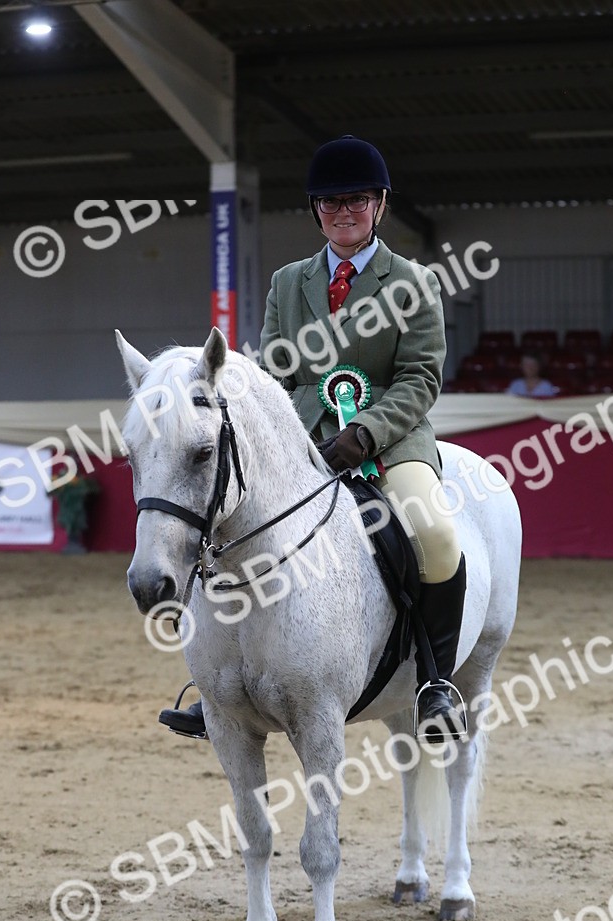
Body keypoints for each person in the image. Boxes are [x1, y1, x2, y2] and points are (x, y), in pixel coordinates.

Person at [160, 134, 467, 744]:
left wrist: (365, 432)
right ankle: (216, 683)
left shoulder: (413, 282)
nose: (343, 212)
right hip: (300, 438)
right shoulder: (288, 282)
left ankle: (436, 682)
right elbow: (276, 373)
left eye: (356, 200)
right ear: (315, 210)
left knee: (435, 535)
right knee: (223, 525)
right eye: (331, 202)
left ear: (379, 204)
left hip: (390, 440)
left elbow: (420, 378)